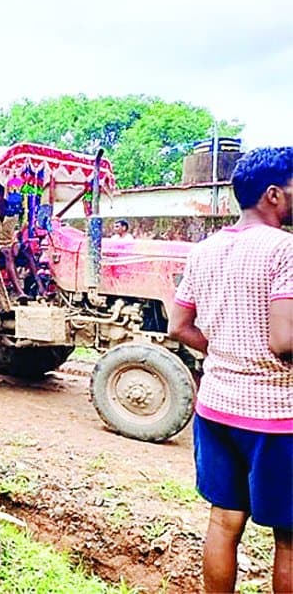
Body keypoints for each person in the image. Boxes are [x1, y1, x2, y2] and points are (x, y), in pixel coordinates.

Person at [168, 147, 292, 594]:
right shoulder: (287, 250)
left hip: (216, 409)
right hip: (278, 418)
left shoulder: (205, 251)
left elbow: (179, 324)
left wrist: (223, 348)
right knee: (290, 541)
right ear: (274, 195)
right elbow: (285, 341)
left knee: (223, 522)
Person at [0, 182, 42, 299]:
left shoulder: (12, 207)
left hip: (11, 241)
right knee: (7, 252)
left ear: (0, 195)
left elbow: (21, 225)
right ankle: (19, 292)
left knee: (28, 251)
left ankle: (41, 288)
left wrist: (16, 240)